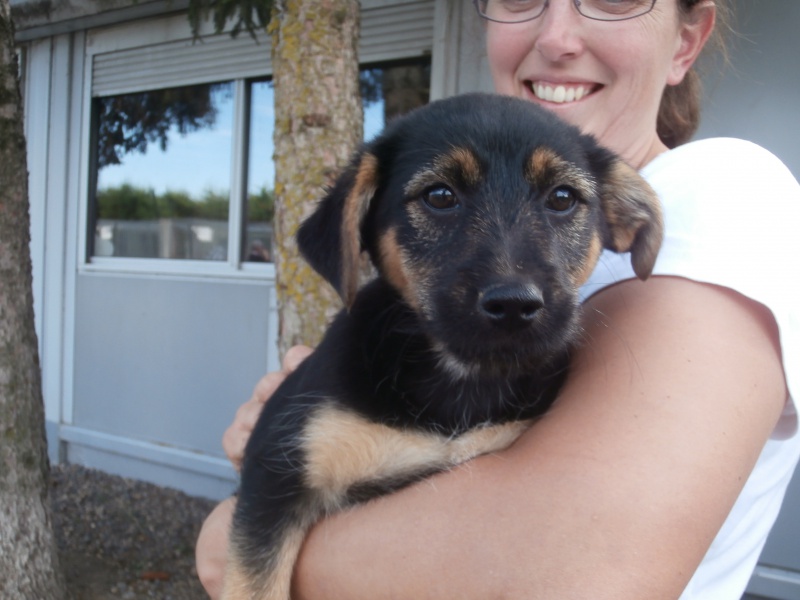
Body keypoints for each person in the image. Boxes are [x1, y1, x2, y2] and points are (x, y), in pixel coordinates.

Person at [196, 0, 800, 598]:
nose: (558, 35)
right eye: (439, 198)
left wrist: (233, 537)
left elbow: (570, 575)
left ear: (687, 38)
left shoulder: (728, 191)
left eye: (563, 201)